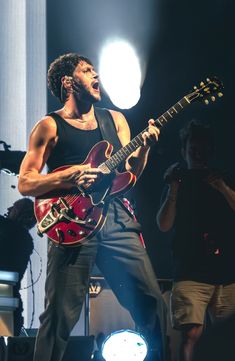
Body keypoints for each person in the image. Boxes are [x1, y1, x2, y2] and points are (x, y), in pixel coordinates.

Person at [18, 53, 167, 361]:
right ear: (68, 82)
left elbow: (131, 174)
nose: (96, 75)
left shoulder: (115, 120)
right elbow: (26, 182)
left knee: (152, 303)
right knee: (59, 316)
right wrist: (70, 174)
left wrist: (146, 147)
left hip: (115, 218)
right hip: (71, 222)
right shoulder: (49, 126)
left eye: (95, 70)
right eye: (87, 71)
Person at [156, 119, 235, 361]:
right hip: (189, 270)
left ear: (210, 151)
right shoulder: (177, 182)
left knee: (228, 337)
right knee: (191, 334)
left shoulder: (223, 178)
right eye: (193, 149)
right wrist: (173, 189)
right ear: (184, 151)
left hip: (227, 273)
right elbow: (163, 224)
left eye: (203, 149)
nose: (198, 154)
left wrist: (222, 187)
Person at [0, 198, 36, 335]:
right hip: (9, 302)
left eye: (14, 207)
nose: (9, 209)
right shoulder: (27, 241)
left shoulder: (7, 228)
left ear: (23, 215)